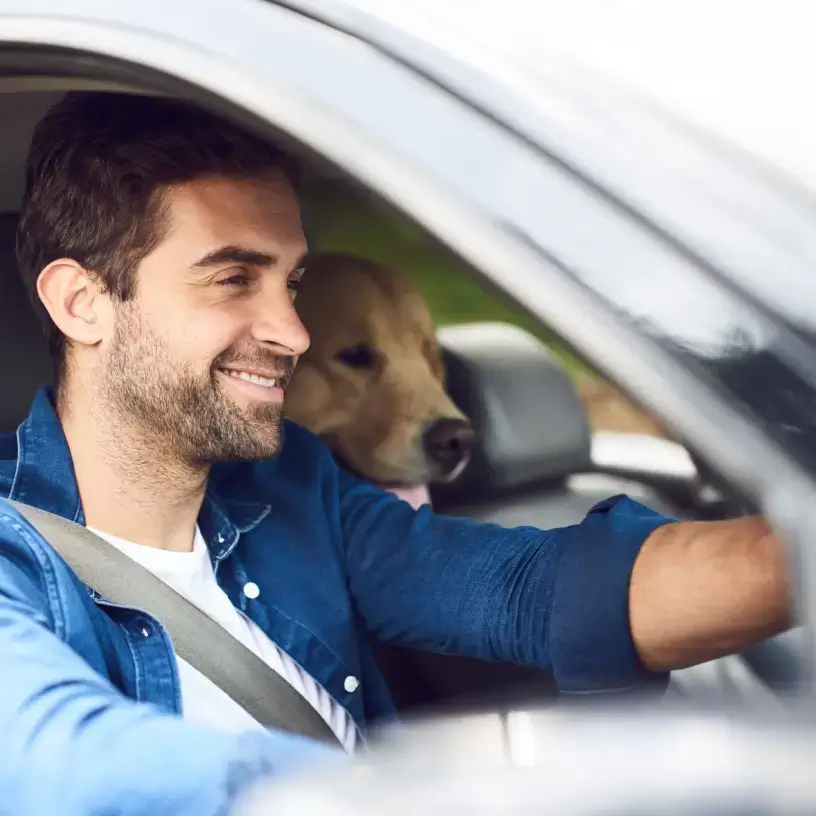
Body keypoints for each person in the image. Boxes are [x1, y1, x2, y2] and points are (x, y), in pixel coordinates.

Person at [0, 92, 790, 816]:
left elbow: (536, 592)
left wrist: (794, 555)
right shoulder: (14, 556)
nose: (295, 334)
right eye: (234, 278)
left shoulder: (294, 488)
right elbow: (65, 761)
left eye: (292, 283)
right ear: (83, 304)